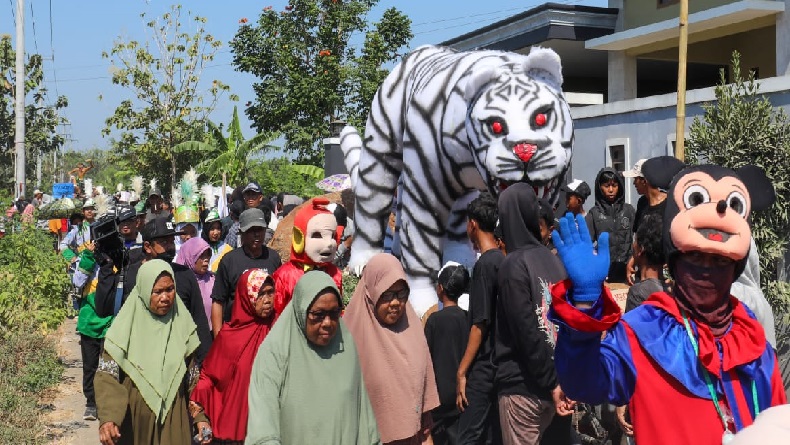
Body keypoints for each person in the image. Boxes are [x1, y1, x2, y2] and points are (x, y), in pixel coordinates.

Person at [549, 164, 787, 445]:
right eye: (695, 258)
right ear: (675, 261)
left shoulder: (750, 337)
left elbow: (777, 426)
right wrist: (586, 300)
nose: (707, 270)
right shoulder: (644, 331)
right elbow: (584, 382)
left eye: (720, 261)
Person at [245, 271, 380, 444]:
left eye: (334, 314)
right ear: (301, 310)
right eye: (318, 315)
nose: (327, 323)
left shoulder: (345, 347)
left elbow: (363, 421)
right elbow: (263, 428)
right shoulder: (275, 353)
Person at [95, 260, 210, 445]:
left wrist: (200, 418)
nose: (165, 297)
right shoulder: (123, 331)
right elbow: (106, 377)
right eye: (157, 292)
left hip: (175, 420)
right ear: (144, 290)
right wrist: (109, 418)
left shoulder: (182, 326)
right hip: (135, 423)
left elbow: (193, 379)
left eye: (170, 289)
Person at [494, 183, 572, 445]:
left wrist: (550, 381)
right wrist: (560, 381)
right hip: (557, 383)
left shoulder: (512, 265)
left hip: (523, 387)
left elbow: (525, 330)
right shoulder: (553, 260)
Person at [344, 253, 440, 444]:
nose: (395, 303)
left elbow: (424, 417)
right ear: (371, 293)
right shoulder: (350, 338)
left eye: (401, 294)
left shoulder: (413, 332)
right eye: (387, 295)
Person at [93, 218, 213, 363]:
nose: (170, 247)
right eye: (164, 242)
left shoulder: (184, 275)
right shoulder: (130, 275)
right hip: (139, 361)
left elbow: (199, 322)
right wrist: (106, 267)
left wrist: (205, 367)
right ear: (148, 246)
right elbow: (103, 308)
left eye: (171, 241)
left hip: (178, 361)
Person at [191, 269, 276, 444]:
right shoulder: (229, 335)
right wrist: (201, 418)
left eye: (270, 292)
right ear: (247, 297)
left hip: (269, 423)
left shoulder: (279, 329)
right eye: (260, 294)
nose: (267, 300)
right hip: (233, 426)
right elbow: (209, 377)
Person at [456, 192, 504, 445]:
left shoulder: (486, 265)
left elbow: (479, 323)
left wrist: (462, 371)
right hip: (502, 365)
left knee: (469, 435)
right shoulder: (503, 259)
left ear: (473, 224)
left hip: (485, 366)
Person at [211, 208, 282, 336]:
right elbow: (218, 301)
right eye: (251, 230)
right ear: (241, 233)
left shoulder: (273, 258)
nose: (256, 234)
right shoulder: (230, 261)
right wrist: (219, 338)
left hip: (267, 332)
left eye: (260, 229)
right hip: (237, 332)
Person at [272, 198, 342, 316]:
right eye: (317, 235)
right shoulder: (285, 276)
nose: (330, 243)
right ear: (299, 238)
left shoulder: (335, 274)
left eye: (332, 236)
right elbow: (277, 315)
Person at [425, 262, 471, 445]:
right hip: (462, 397)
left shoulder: (434, 320)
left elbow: (426, 357)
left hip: (438, 399)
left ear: (440, 288)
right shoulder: (467, 319)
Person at [585, 168, 635, 284]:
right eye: (607, 186)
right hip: (604, 272)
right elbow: (587, 243)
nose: (611, 190)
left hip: (627, 271)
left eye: (614, 185)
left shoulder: (628, 210)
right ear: (600, 188)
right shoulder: (594, 213)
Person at [624, 213, 665, 312]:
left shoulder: (638, 293)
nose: (633, 245)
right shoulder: (671, 289)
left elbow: (629, 327)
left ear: (641, 249)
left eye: (636, 240)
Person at [175, 237, 215, 332]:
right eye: (201, 256)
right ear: (190, 257)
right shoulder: (179, 282)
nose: (206, 260)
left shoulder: (213, 279)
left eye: (207, 255)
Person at [201, 209, 233, 273]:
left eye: (218, 228)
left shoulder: (228, 249)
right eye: (212, 229)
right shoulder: (200, 249)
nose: (216, 233)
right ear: (206, 230)